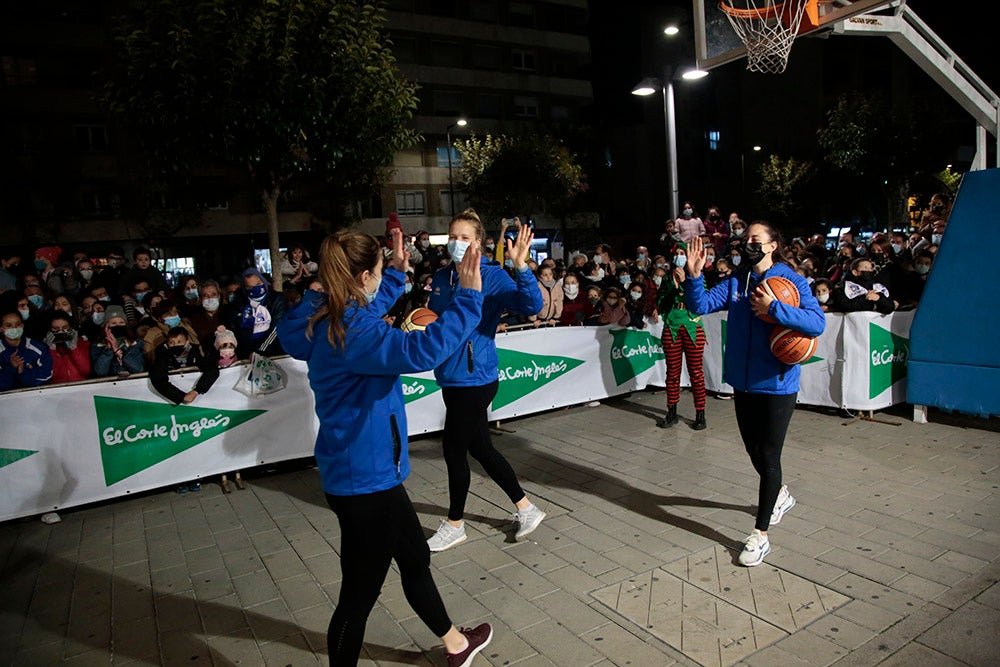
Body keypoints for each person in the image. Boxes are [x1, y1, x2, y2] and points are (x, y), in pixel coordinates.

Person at [277, 227, 493, 667]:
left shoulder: (326, 317)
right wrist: (470, 297)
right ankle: (452, 645)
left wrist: (394, 273)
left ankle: (456, 644)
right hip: (366, 480)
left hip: (364, 472)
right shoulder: (354, 332)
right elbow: (423, 350)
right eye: (377, 271)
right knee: (357, 599)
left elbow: (364, 307)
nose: (379, 280)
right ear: (362, 278)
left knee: (414, 557)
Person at [684, 223, 825, 567]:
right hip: (743, 382)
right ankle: (780, 494)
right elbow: (699, 305)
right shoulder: (737, 280)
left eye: (755, 240)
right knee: (754, 451)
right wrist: (694, 276)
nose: (747, 243)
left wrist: (774, 309)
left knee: (770, 454)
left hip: (777, 383)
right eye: (746, 238)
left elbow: (816, 322)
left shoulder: (790, 280)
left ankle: (760, 535)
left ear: (772, 245)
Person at [425, 210, 546, 553]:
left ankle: (455, 525)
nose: (457, 243)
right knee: (480, 447)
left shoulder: (492, 276)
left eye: (465, 238)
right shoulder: (442, 276)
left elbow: (532, 305)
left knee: (453, 450)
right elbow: (437, 319)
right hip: (449, 376)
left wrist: (521, 268)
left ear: (478, 242)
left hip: (476, 378)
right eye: (453, 237)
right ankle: (527, 508)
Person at [655, 244, 706, 430]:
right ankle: (672, 412)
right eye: (676, 253)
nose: (679, 256)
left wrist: (685, 282)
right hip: (672, 326)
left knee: (696, 373)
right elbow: (661, 303)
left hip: (693, 327)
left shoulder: (697, 276)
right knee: (672, 373)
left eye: (682, 253)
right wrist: (674, 287)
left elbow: (700, 300)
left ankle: (700, 414)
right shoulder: (667, 278)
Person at [150, 326, 219, 405]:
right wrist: (181, 396)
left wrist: (197, 391)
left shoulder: (194, 352)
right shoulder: (162, 355)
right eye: (172, 343)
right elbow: (158, 379)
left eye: (179, 342)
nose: (175, 345)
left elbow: (212, 369)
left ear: (187, 342)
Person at [229, 268, 287, 358]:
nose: (256, 288)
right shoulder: (238, 304)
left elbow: (277, 328)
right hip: (247, 356)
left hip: (274, 354)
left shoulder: (277, 299)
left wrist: (259, 352)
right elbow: (235, 331)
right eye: (250, 287)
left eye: (258, 284)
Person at [0, 309, 53, 391]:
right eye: (8, 325)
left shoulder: (39, 348)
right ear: (1, 329)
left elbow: (46, 376)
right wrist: (12, 368)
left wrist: (23, 372)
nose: (14, 328)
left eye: (18, 324)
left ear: (22, 325)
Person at [91, 305, 145, 378]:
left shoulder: (135, 343)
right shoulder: (98, 346)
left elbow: (138, 369)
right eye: (113, 323)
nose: (118, 326)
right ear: (106, 326)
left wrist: (117, 350)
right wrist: (108, 350)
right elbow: (100, 371)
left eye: (121, 323)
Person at [45, 310, 91, 384]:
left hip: (81, 386)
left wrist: (74, 348)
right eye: (56, 328)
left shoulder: (82, 343)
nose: (61, 331)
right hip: (58, 388)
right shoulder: (44, 348)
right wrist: (52, 350)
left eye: (65, 327)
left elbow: (86, 370)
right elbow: (52, 375)